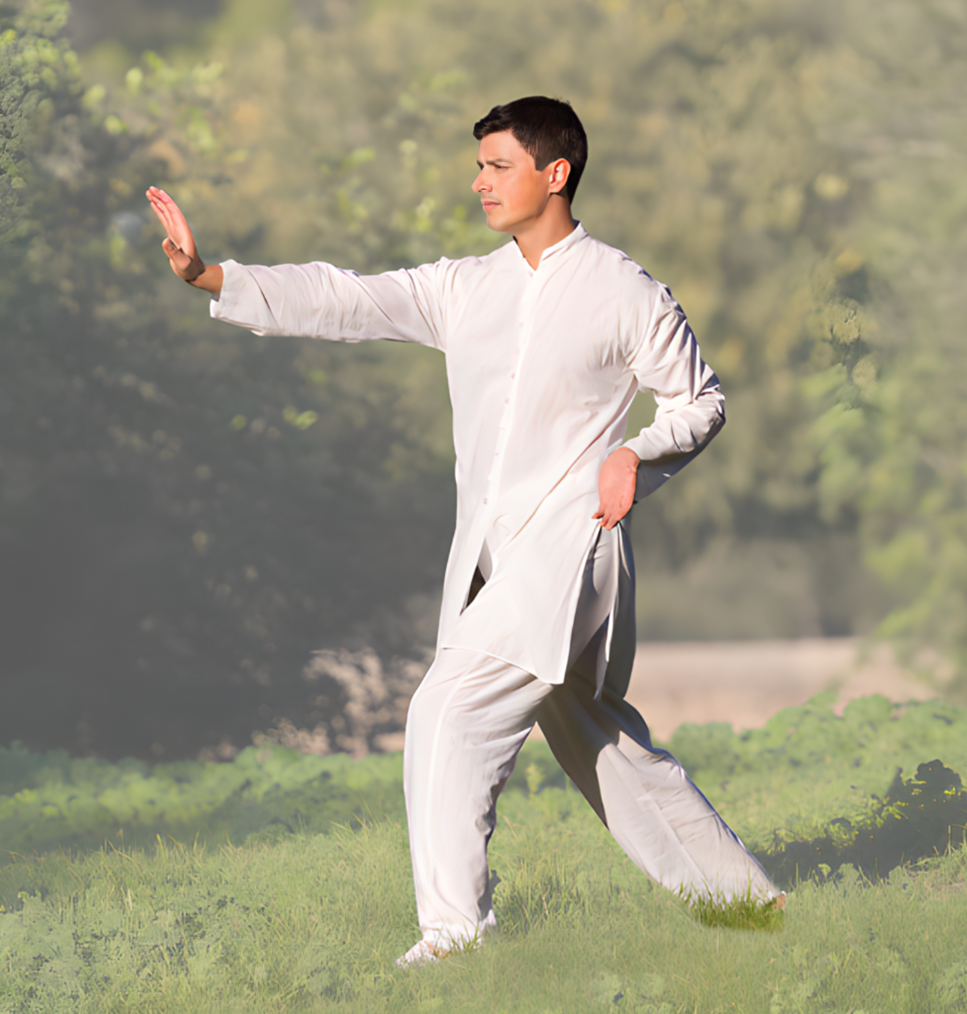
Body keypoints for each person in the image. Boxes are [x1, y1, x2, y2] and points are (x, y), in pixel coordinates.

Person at [147, 95, 782, 968]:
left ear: (554, 173)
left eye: (498, 166)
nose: (479, 182)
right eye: (479, 166)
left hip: (570, 550)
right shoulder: (465, 286)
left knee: (447, 711)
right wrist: (213, 277)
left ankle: (456, 937)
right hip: (491, 562)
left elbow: (701, 399)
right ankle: (752, 909)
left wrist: (637, 452)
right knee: (603, 744)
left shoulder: (623, 288)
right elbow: (349, 298)